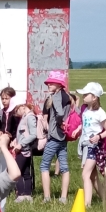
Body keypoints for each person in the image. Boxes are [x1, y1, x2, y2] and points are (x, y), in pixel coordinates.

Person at [77, 82, 106, 209]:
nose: (83, 96)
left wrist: (98, 137)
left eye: (86, 94)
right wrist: (78, 129)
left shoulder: (100, 113)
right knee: (92, 177)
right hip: (84, 145)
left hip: (94, 147)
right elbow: (84, 125)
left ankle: (86, 204)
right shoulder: (85, 109)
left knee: (85, 175)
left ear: (94, 97)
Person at [40, 70, 73, 204]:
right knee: (64, 167)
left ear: (59, 84)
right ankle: (63, 197)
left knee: (44, 166)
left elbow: (59, 113)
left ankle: (47, 197)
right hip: (63, 137)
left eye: (51, 83)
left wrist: (59, 123)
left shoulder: (57, 96)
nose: (48, 84)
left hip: (54, 136)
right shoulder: (67, 96)